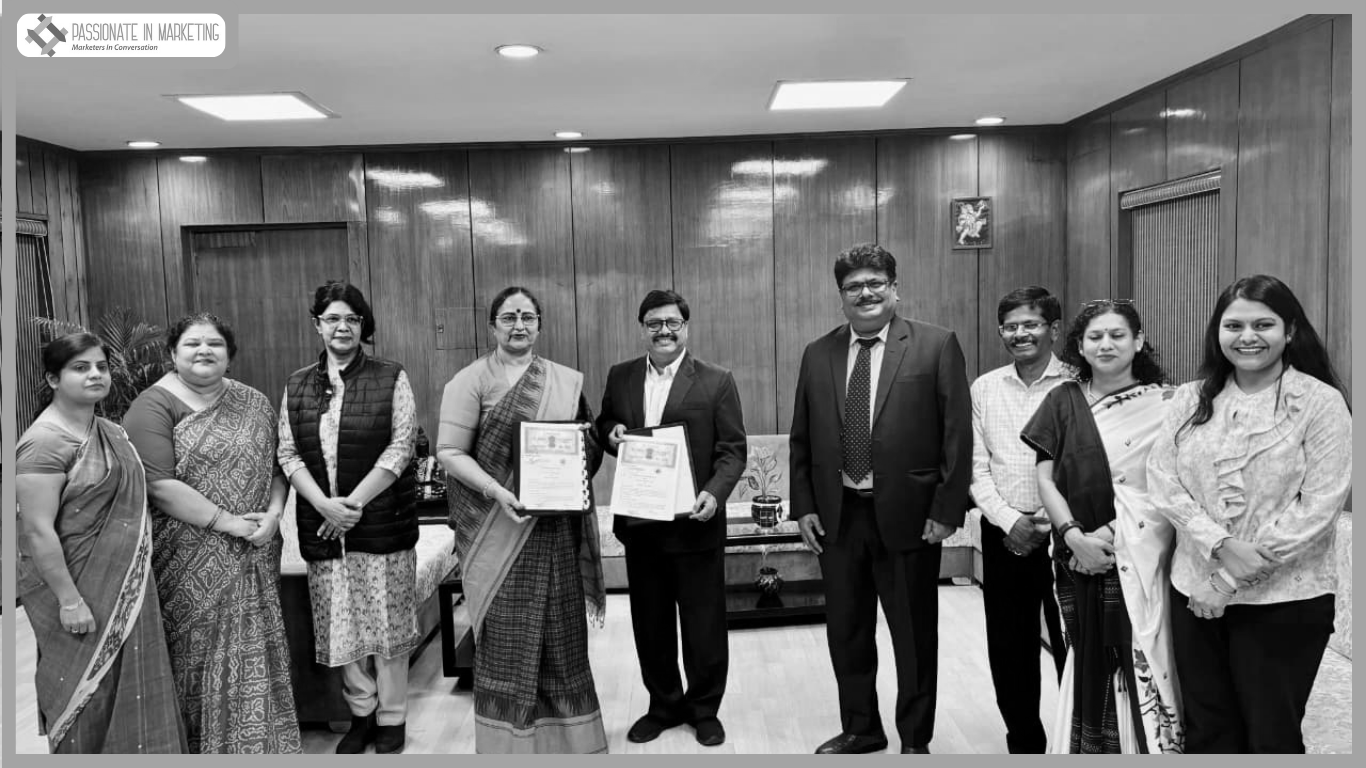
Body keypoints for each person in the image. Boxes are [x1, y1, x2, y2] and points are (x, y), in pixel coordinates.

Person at [1147, 275, 1351, 753]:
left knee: (1271, 736)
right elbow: (1162, 478)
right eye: (1234, 325)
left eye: (1264, 324)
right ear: (1217, 332)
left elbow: (1319, 506)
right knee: (1207, 731)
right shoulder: (1190, 398)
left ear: (1290, 331)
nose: (1247, 336)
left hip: (1285, 601)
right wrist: (1218, 544)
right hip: (1193, 591)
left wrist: (1228, 580)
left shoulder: (1321, 403)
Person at [790, 243, 973, 755]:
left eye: (875, 283)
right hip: (839, 517)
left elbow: (957, 435)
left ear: (895, 288)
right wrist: (804, 505)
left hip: (911, 519)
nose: (865, 293)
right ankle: (861, 729)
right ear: (841, 295)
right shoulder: (818, 352)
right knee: (846, 631)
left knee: (913, 635)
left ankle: (915, 739)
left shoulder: (935, 345)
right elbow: (802, 437)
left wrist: (946, 510)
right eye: (854, 286)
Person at [436, 286, 609, 753]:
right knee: (507, 644)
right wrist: (496, 490)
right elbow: (449, 451)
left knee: (563, 638)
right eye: (508, 317)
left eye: (527, 317)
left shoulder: (562, 381)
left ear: (539, 325)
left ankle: (571, 745)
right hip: (498, 532)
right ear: (492, 325)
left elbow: (589, 449)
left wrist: (580, 445)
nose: (518, 325)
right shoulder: (470, 381)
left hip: (553, 531)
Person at [123, 313, 301, 754]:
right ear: (173, 353)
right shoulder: (152, 406)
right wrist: (229, 523)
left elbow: (277, 468)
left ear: (229, 354)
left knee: (256, 648)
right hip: (187, 560)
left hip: (256, 547)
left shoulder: (254, 401)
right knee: (196, 657)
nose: (204, 350)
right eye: (192, 344)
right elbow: (159, 486)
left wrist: (274, 515)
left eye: (214, 343)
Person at [1020, 299, 1182, 754]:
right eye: (1095, 336)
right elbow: (1046, 479)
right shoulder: (1062, 399)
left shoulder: (1168, 404)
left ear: (1138, 341)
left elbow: (1169, 486)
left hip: (1139, 553)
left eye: (1117, 335)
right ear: (1080, 345)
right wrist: (1074, 536)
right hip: (1075, 553)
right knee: (1085, 652)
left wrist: (1109, 535)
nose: (1105, 344)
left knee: (1136, 652)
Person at [15, 333, 187, 754]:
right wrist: (69, 600)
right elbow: (37, 531)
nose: (95, 374)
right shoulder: (43, 443)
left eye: (101, 366)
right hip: (78, 588)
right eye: (80, 367)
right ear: (53, 379)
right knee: (86, 692)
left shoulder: (110, 432)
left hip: (128, 582)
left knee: (132, 684)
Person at [596, 289, 747, 748]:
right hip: (642, 525)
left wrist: (714, 494)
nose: (663, 331)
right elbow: (605, 424)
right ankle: (663, 705)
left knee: (704, 625)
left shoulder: (717, 380)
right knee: (651, 624)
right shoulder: (621, 376)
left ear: (686, 327)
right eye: (654, 323)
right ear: (643, 328)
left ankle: (704, 709)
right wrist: (611, 433)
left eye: (672, 323)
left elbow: (732, 451)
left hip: (695, 523)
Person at [278, 281, 419, 754]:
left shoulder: (390, 376)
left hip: (381, 523)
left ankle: (392, 716)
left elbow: (401, 446)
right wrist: (324, 505)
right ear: (317, 324)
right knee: (340, 625)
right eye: (333, 318)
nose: (343, 327)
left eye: (352, 319)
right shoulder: (297, 384)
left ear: (363, 326)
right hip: (322, 526)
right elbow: (287, 452)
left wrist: (350, 506)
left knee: (388, 623)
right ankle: (361, 714)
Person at [969, 286, 1069, 754]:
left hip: (1070, 537)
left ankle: (1080, 741)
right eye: (1010, 326)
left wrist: (1053, 521)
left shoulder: (1077, 384)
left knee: (1073, 646)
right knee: (1010, 650)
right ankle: (1025, 745)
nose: (1019, 334)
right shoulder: (985, 388)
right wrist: (1010, 521)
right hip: (1005, 536)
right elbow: (976, 467)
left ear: (1054, 328)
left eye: (1031, 324)